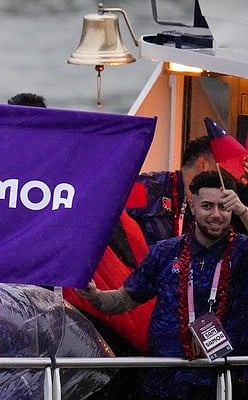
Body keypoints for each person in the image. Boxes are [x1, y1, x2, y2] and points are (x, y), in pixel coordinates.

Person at [78, 170, 248, 400]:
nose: (216, 215)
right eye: (207, 206)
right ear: (192, 204)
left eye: (224, 207)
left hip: (224, 383)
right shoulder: (166, 252)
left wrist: (243, 210)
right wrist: (95, 296)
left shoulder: (242, 251)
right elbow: (123, 300)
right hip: (165, 383)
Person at [127, 136, 216, 245]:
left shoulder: (210, 208)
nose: (221, 178)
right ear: (203, 165)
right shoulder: (147, 186)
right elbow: (115, 222)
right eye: (219, 170)